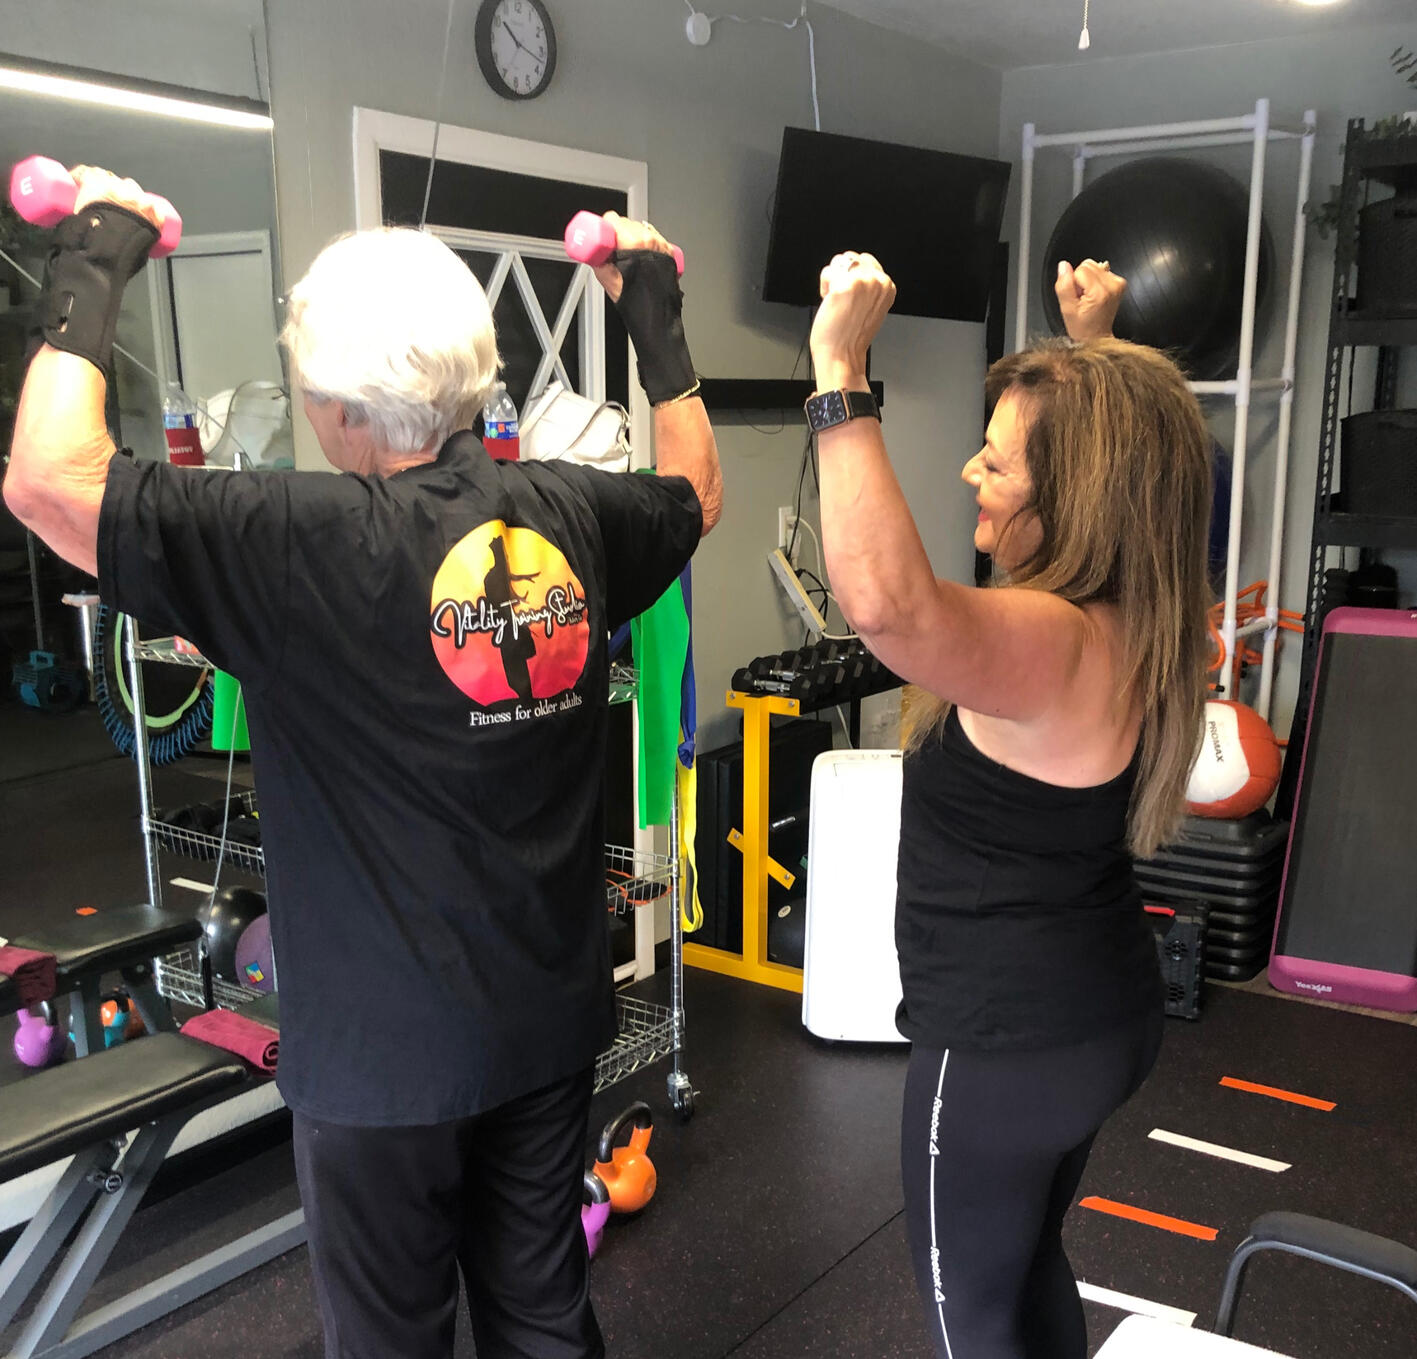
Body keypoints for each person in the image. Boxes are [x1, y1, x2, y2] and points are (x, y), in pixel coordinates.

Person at [3, 166, 721, 1359]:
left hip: (382, 1065)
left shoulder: (292, 538)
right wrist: (652, 310)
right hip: (542, 1024)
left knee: (388, 1342)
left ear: (335, 408)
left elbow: (43, 476)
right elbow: (696, 491)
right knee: (542, 1313)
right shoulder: (574, 513)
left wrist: (98, 249)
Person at [806, 250, 1211, 1358]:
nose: (969, 479)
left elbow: (887, 603)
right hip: (1090, 1016)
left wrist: (839, 370)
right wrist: (1094, 353)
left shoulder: (1053, 644)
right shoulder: (1144, 608)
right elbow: (1116, 461)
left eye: (992, 462)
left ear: (1067, 494)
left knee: (972, 1321)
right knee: (1027, 1270)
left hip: (1002, 1049)